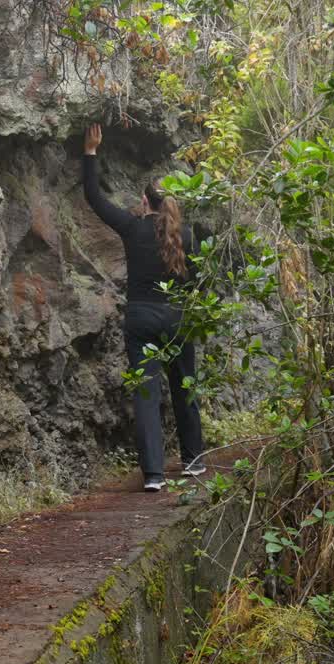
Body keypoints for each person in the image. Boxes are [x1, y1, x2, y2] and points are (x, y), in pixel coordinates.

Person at [82, 123, 206, 492]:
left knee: (147, 393)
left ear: (144, 200)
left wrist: (89, 152)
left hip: (141, 319)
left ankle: (154, 475)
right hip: (177, 318)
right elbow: (198, 281)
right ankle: (194, 461)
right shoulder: (185, 237)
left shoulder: (132, 227)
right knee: (185, 387)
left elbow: (94, 198)